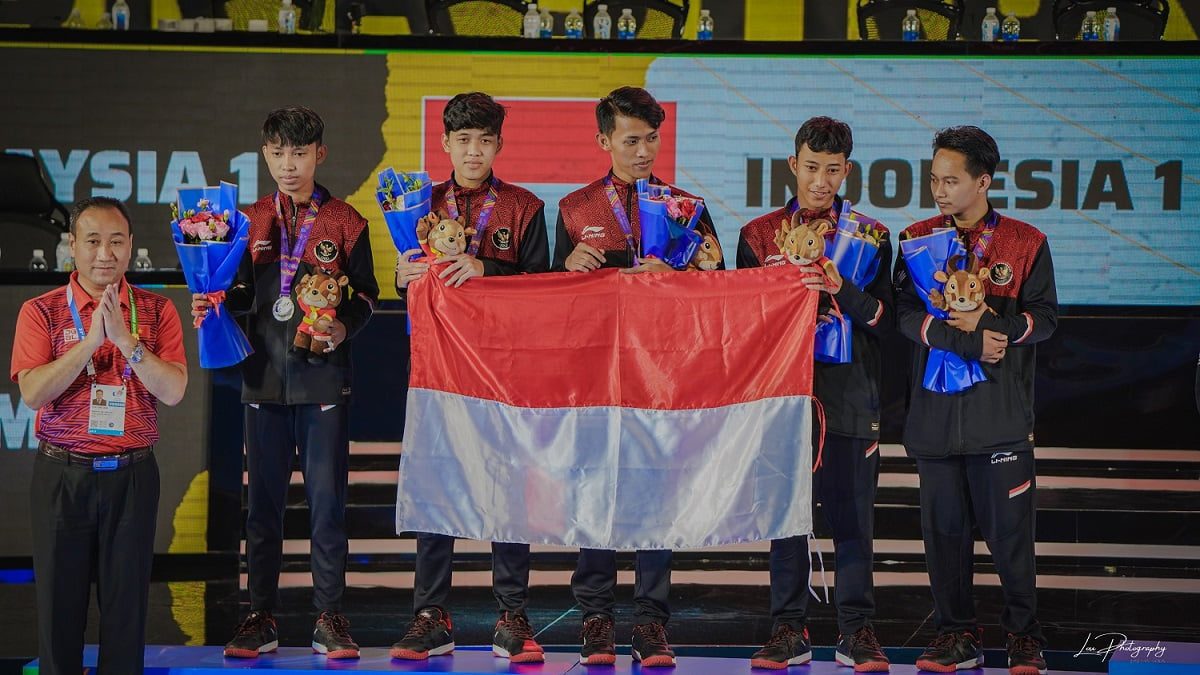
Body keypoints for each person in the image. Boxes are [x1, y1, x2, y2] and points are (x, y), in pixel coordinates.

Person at [193, 106, 380, 660]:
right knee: (262, 509)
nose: (288, 164)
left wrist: (343, 326)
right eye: (278, 153)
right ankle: (260, 615)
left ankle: (330, 616)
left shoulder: (347, 221)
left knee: (327, 505)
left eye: (299, 153)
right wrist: (216, 301)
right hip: (262, 380)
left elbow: (367, 295)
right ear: (265, 155)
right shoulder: (248, 221)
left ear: (319, 154)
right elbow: (240, 294)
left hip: (323, 381)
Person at [551, 85, 725, 668]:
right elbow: (550, 298)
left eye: (652, 138)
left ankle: (651, 622)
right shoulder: (575, 209)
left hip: (662, 380)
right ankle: (596, 619)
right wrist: (567, 267)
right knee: (594, 493)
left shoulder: (688, 207)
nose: (644, 151)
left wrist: (685, 275)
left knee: (655, 497)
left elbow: (719, 286)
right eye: (631, 140)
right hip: (596, 379)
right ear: (603, 141)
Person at [390, 92, 550, 664]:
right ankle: (431, 615)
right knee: (437, 486)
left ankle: (512, 615)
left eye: (484, 140)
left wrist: (487, 267)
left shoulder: (525, 207)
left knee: (510, 490)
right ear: (445, 144)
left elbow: (542, 289)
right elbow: (406, 285)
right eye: (463, 141)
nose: (474, 151)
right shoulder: (418, 206)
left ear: (499, 144)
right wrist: (403, 274)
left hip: (507, 373)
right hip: (440, 372)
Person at [894, 126, 1057, 675]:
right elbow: (903, 316)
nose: (939, 190)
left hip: (999, 421)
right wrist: (953, 336)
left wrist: (996, 327)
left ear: (983, 182)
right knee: (944, 540)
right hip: (935, 420)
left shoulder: (1025, 242)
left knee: (1011, 540)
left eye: (951, 181)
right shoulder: (915, 240)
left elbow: (1045, 320)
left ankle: (1023, 637)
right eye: (934, 179)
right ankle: (955, 635)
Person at [736, 116, 893, 671]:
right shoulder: (759, 235)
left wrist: (840, 288)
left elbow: (885, 320)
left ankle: (857, 631)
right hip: (781, 396)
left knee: (853, 522)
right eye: (811, 168)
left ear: (847, 170)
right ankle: (788, 629)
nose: (820, 181)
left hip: (850, 394)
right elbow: (741, 319)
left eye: (832, 170)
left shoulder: (871, 237)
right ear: (792, 165)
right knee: (786, 519)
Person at [12, 197, 188, 675]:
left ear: (131, 246)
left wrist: (125, 341)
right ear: (72, 246)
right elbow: (32, 392)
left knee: (126, 612)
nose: (105, 254)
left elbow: (174, 390)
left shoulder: (156, 310)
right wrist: (91, 341)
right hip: (61, 477)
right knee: (58, 613)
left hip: (131, 477)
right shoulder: (42, 311)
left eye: (116, 242)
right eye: (92, 241)